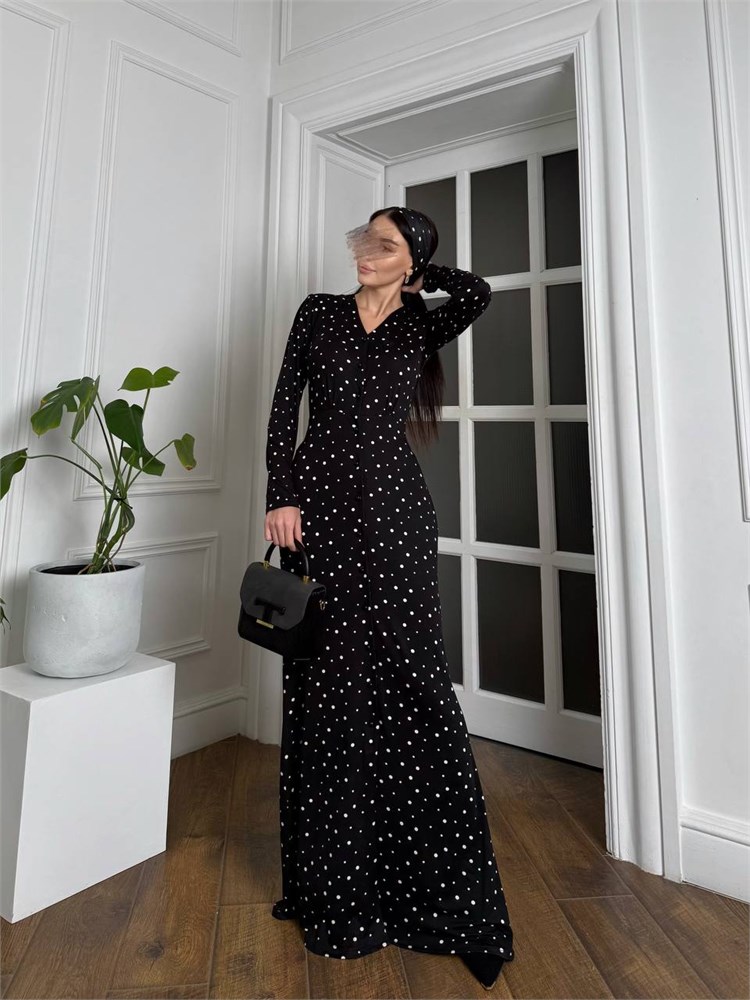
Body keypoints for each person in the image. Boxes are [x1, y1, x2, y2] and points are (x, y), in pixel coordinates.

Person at [263, 206, 514, 990]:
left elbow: (476, 294)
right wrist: (281, 495)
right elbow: (284, 408)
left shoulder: (420, 325)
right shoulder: (318, 313)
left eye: (384, 245)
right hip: (319, 514)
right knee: (328, 686)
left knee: (414, 684)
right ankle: (333, 891)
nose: (365, 254)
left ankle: (440, 896)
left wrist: (418, 275)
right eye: (363, 241)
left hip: (398, 517)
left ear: (410, 261)